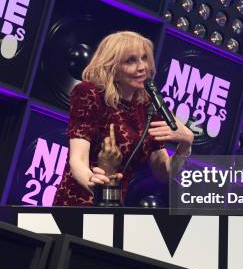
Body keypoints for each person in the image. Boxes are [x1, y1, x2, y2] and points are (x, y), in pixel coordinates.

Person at [53, 31, 194, 206]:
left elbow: (164, 172)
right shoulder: (90, 93)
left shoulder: (148, 106)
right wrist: (99, 187)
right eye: (131, 60)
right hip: (78, 200)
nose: (142, 67)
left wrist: (185, 146)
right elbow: (77, 159)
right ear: (112, 67)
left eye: (144, 58)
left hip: (114, 206)